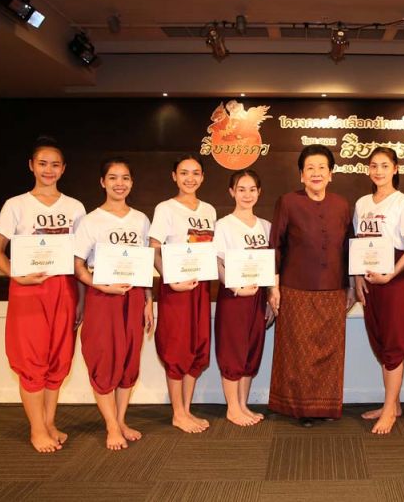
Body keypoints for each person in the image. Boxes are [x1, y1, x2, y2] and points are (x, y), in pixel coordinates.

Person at [0, 136, 86, 453]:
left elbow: (80, 258)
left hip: (64, 290)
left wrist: (81, 299)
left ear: (63, 169)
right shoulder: (16, 205)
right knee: (31, 360)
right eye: (42, 163)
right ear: (31, 165)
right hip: (28, 291)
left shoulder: (75, 207)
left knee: (59, 359)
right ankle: (37, 429)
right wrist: (16, 274)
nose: (48, 170)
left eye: (55, 164)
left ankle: (49, 422)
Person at [268, 145, 356, 426]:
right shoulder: (287, 202)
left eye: (322, 168)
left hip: (334, 288)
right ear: (301, 175)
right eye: (310, 168)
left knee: (330, 352)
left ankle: (325, 407)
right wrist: (273, 286)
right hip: (296, 288)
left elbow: (349, 248)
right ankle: (301, 409)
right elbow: (275, 245)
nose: (316, 173)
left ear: (330, 174)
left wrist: (351, 286)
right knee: (299, 352)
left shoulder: (342, 205)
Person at [74, 157, 154, 451]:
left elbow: (145, 264)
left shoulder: (141, 219)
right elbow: (78, 266)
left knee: (129, 360)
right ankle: (110, 425)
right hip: (103, 297)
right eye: (113, 178)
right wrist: (100, 285)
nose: (119, 184)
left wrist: (149, 301)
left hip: (134, 296)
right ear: (102, 182)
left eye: (125, 178)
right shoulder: (90, 221)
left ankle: (120, 420)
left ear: (132, 182)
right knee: (104, 359)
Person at [148, 155, 215, 434]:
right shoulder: (165, 208)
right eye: (184, 173)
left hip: (200, 288)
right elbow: (154, 249)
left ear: (203, 177)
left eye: (196, 173)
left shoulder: (209, 210)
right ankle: (177, 413)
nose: (190, 178)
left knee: (197, 347)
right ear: (174, 176)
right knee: (176, 348)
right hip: (175, 289)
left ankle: (186, 410)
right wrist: (170, 278)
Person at [353, 147, 404, 435]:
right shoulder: (362, 203)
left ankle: (390, 409)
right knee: (380, 341)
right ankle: (393, 403)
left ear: (395, 169)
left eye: (384, 165)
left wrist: (391, 273)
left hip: (395, 280)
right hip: (370, 279)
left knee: (394, 343)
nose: (378, 171)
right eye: (373, 165)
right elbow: (359, 243)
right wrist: (358, 277)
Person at [213, 169, 272, 426]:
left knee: (251, 351)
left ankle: (243, 405)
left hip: (258, 298)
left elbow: (270, 266)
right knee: (233, 351)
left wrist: (269, 299)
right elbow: (216, 262)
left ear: (259, 192)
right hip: (234, 297)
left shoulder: (266, 226)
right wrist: (235, 287)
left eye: (252, 189)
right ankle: (232, 408)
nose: (247, 195)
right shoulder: (224, 225)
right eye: (241, 189)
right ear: (232, 192)